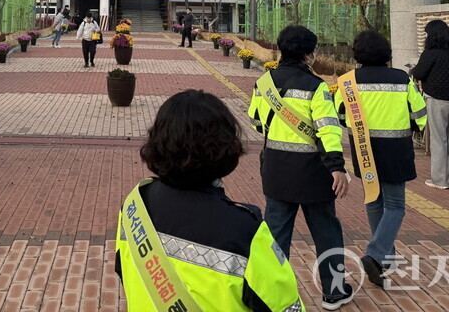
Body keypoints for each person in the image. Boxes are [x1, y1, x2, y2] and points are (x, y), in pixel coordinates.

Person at [115, 90, 304, 312]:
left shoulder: (134, 205)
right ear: (225, 147)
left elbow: (124, 272)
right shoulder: (245, 232)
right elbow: (287, 307)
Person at [248, 24, 352, 310]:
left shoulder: (264, 83)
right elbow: (328, 130)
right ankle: (334, 292)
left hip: (276, 169)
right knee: (326, 231)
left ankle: (271, 293)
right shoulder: (316, 87)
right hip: (314, 173)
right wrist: (337, 167)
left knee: (276, 235)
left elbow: (256, 121)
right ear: (308, 54)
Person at [335, 30, 427, 288]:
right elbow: (420, 114)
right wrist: (410, 126)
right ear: (387, 52)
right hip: (397, 149)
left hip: (364, 149)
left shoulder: (347, 81)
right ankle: (377, 254)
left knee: (374, 201)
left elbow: (339, 115)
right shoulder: (401, 78)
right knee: (396, 206)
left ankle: (382, 257)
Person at [410, 19, 449, 190]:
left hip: (436, 100)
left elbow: (420, 73)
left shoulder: (430, 53)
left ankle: (440, 180)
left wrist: (414, 69)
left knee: (439, 140)